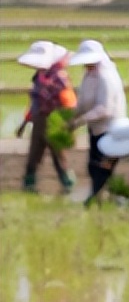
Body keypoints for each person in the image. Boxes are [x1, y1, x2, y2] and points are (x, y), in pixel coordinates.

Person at [68, 40, 128, 204]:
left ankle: (97, 198)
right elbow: (83, 102)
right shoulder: (88, 75)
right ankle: (104, 197)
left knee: (102, 166)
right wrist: (72, 117)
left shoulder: (106, 77)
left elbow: (105, 108)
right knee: (93, 165)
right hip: (95, 128)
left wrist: (80, 121)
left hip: (110, 128)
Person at [16, 40, 77, 192]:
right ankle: (29, 183)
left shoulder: (59, 78)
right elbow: (35, 103)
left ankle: (67, 184)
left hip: (54, 121)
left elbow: (70, 103)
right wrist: (24, 123)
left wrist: (67, 124)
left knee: (58, 155)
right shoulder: (39, 77)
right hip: (39, 120)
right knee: (34, 154)